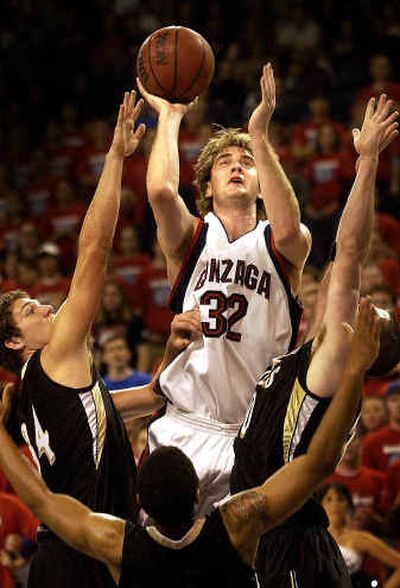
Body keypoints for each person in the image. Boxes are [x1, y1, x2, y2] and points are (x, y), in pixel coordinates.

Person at [0, 299, 381, 588]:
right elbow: (319, 460)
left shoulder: (119, 543)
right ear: (201, 491)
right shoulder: (235, 524)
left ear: (142, 506)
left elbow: (41, 500)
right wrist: (354, 370)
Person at [231, 94, 400, 587]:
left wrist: (367, 160)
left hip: (291, 548)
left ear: (363, 345)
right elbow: (333, 270)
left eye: (369, 315)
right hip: (271, 537)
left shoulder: (327, 370)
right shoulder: (308, 356)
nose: (355, 304)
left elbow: (349, 254)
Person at [137, 63, 311, 512]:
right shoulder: (192, 237)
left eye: (247, 163)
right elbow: (159, 191)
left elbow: (290, 224)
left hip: (253, 434)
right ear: (207, 186)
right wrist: (170, 116)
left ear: (260, 185)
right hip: (185, 425)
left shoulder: (281, 242)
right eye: (225, 163)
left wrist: (259, 136)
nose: (237, 167)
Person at [0, 91, 146, 587]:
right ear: (17, 343)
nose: (45, 307)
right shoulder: (55, 354)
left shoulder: (26, 397)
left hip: (57, 555)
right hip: (88, 551)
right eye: (30, 312)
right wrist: (115, 157)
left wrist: (157, 390)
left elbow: (94, 416)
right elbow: (94, 250)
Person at [320, 482, 400, 588]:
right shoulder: (312, 539)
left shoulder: (360, 538)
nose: (335, 504)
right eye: (329, 499)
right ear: (321, 505)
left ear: (349, 505)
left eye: (340, 499)